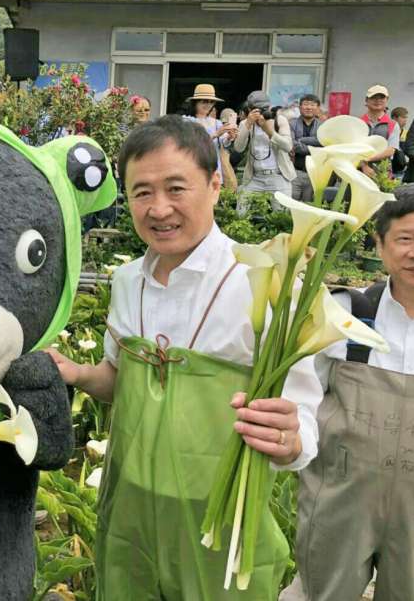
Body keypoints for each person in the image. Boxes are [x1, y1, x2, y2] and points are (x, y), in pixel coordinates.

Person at [45, 115, 322, 600]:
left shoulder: (264, 279)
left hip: (219, 518)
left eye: (177, 188)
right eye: (142, 192)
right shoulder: (129, 280)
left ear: (215, 184)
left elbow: (303, 415)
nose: (159, 209)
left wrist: (292, 439)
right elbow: (122, 380)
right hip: (132, 509)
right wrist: (79, 374)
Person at [285, 183, 414, 601]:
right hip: (338, 501)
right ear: (380, 243)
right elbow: (299, 395)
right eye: (405, 239)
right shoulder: (345, 314)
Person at [233, 90, 295, 206]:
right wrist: (247, 125)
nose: (262, 112)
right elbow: (238, 148)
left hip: (278, 176)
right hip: (254, 177)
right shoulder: (245, 123)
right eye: (258, 109)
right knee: (241, 212)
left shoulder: (279, 120)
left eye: (265, 108)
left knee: (281, 217)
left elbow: (288, 146)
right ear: (250, 109)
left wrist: (269, 131)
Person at [358, 85, 400, 178]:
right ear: (366, 100)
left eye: (382, 97)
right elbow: (352, 149)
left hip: (383, 175)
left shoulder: (393, 124)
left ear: (387, 100)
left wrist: (367, 160)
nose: (378, 100)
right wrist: (363, 166)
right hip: (358, 173)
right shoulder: (358, 123)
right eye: (373, 97)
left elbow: (390, 150)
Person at [289, 94, 322, 202]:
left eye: (312, 105)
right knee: (291, 204)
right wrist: (314, 148)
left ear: (318, 108)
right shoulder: (291, 124)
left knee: (309, 205)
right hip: (295, 172)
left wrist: (301, 140)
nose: (309, 107)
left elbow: (323, 143)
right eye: (306, 104)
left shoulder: (323, 126)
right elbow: (292, 144)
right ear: (300, 107)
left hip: (315, 173)